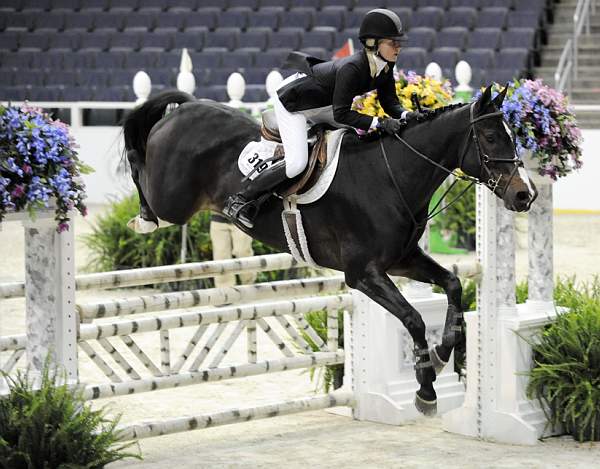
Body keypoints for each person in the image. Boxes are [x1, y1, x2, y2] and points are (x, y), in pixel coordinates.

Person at [224, 8, 425, 229]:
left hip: (323, 104)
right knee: (296, 164)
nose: (398, 47)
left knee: (351, 141)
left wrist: (408, 115)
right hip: (295, 103)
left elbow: (390, 103)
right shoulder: (353, 67)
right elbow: (342, 114)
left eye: (399, 43)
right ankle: (241, 199)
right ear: (372, 43)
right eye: (393, 42)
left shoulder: (386, 66)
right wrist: (379, 122)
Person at [209, 212, 257, 288]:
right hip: (218, 217)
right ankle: (225, 291)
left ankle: (250, 285)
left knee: (242, 251)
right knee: (221, 256)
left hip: (241, 217)